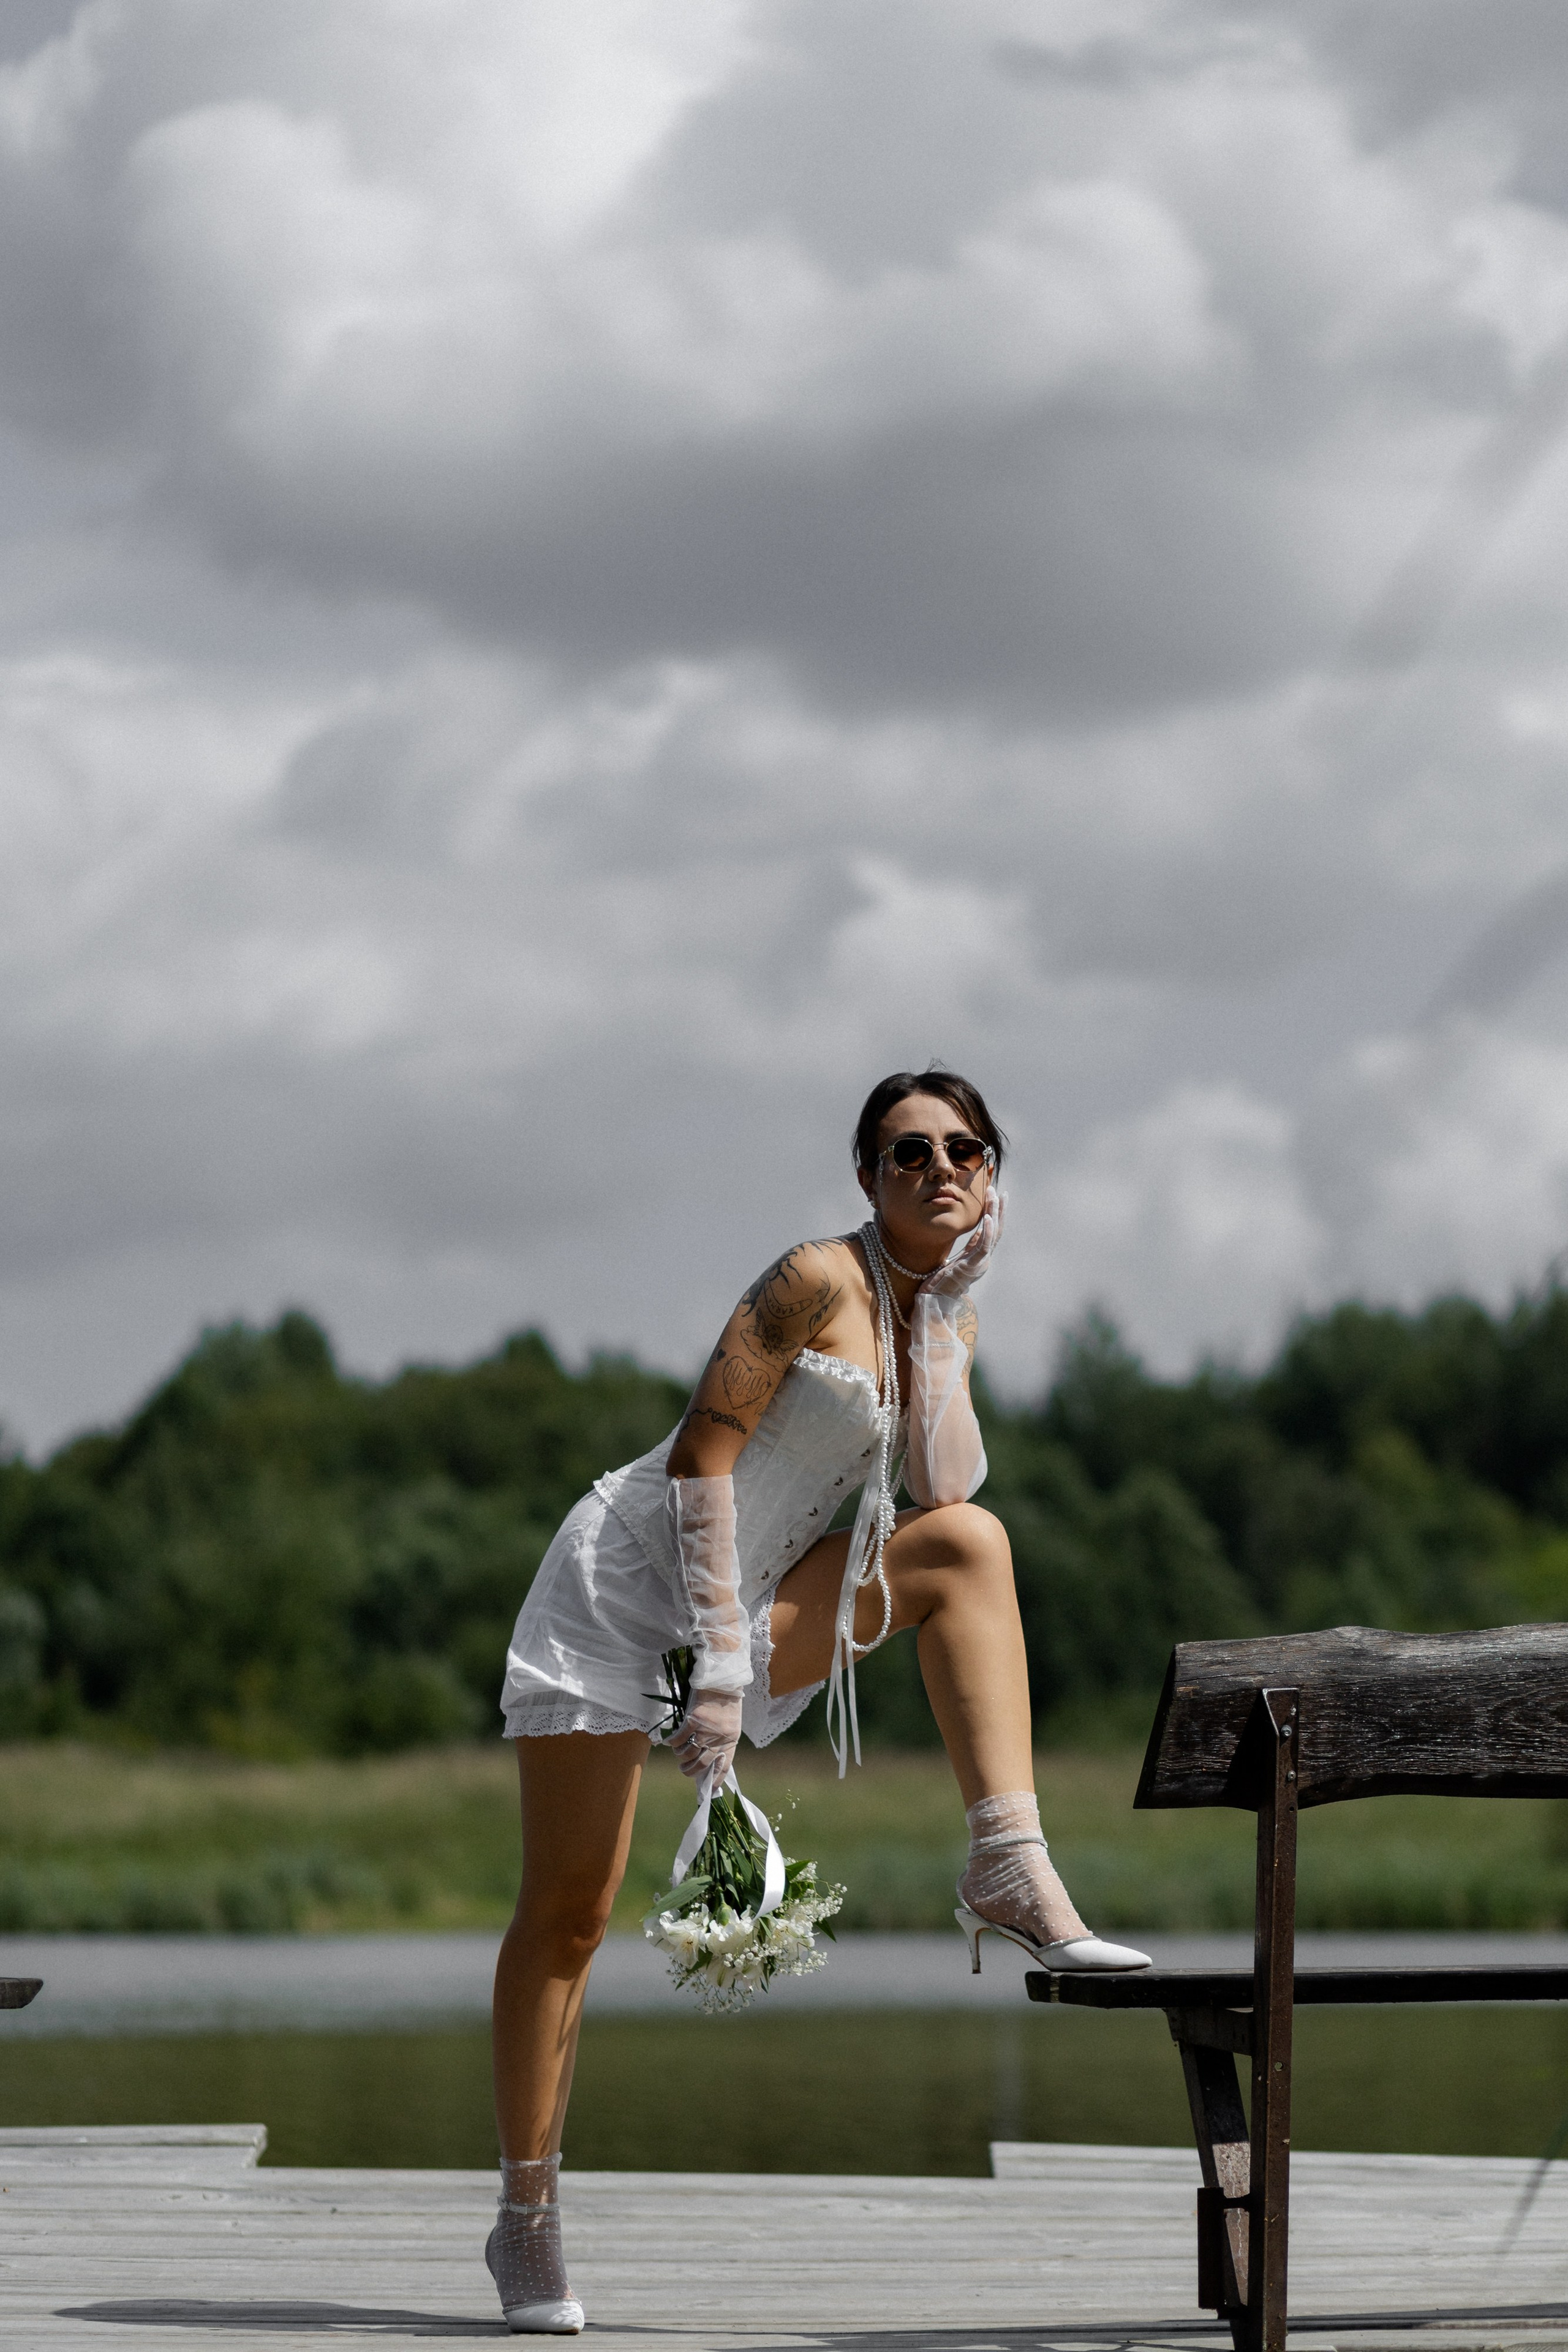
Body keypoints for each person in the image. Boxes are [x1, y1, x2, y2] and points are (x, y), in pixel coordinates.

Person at [486, 1068, 1150, 2332]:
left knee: (970, 1548)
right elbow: (698, 1455)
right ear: (867, 1177)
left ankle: (1007, 1864)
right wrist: (721, 1667)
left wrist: (947, 1319)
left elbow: (945, 1482)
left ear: (991, 1175)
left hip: (757, 1594)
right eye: (908, 1152)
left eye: (966, 1150)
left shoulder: (935, 1309)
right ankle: (526, 2216)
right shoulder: (812, 1278)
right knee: (570, 1913)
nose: (938, 1168)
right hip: (627, 1588)